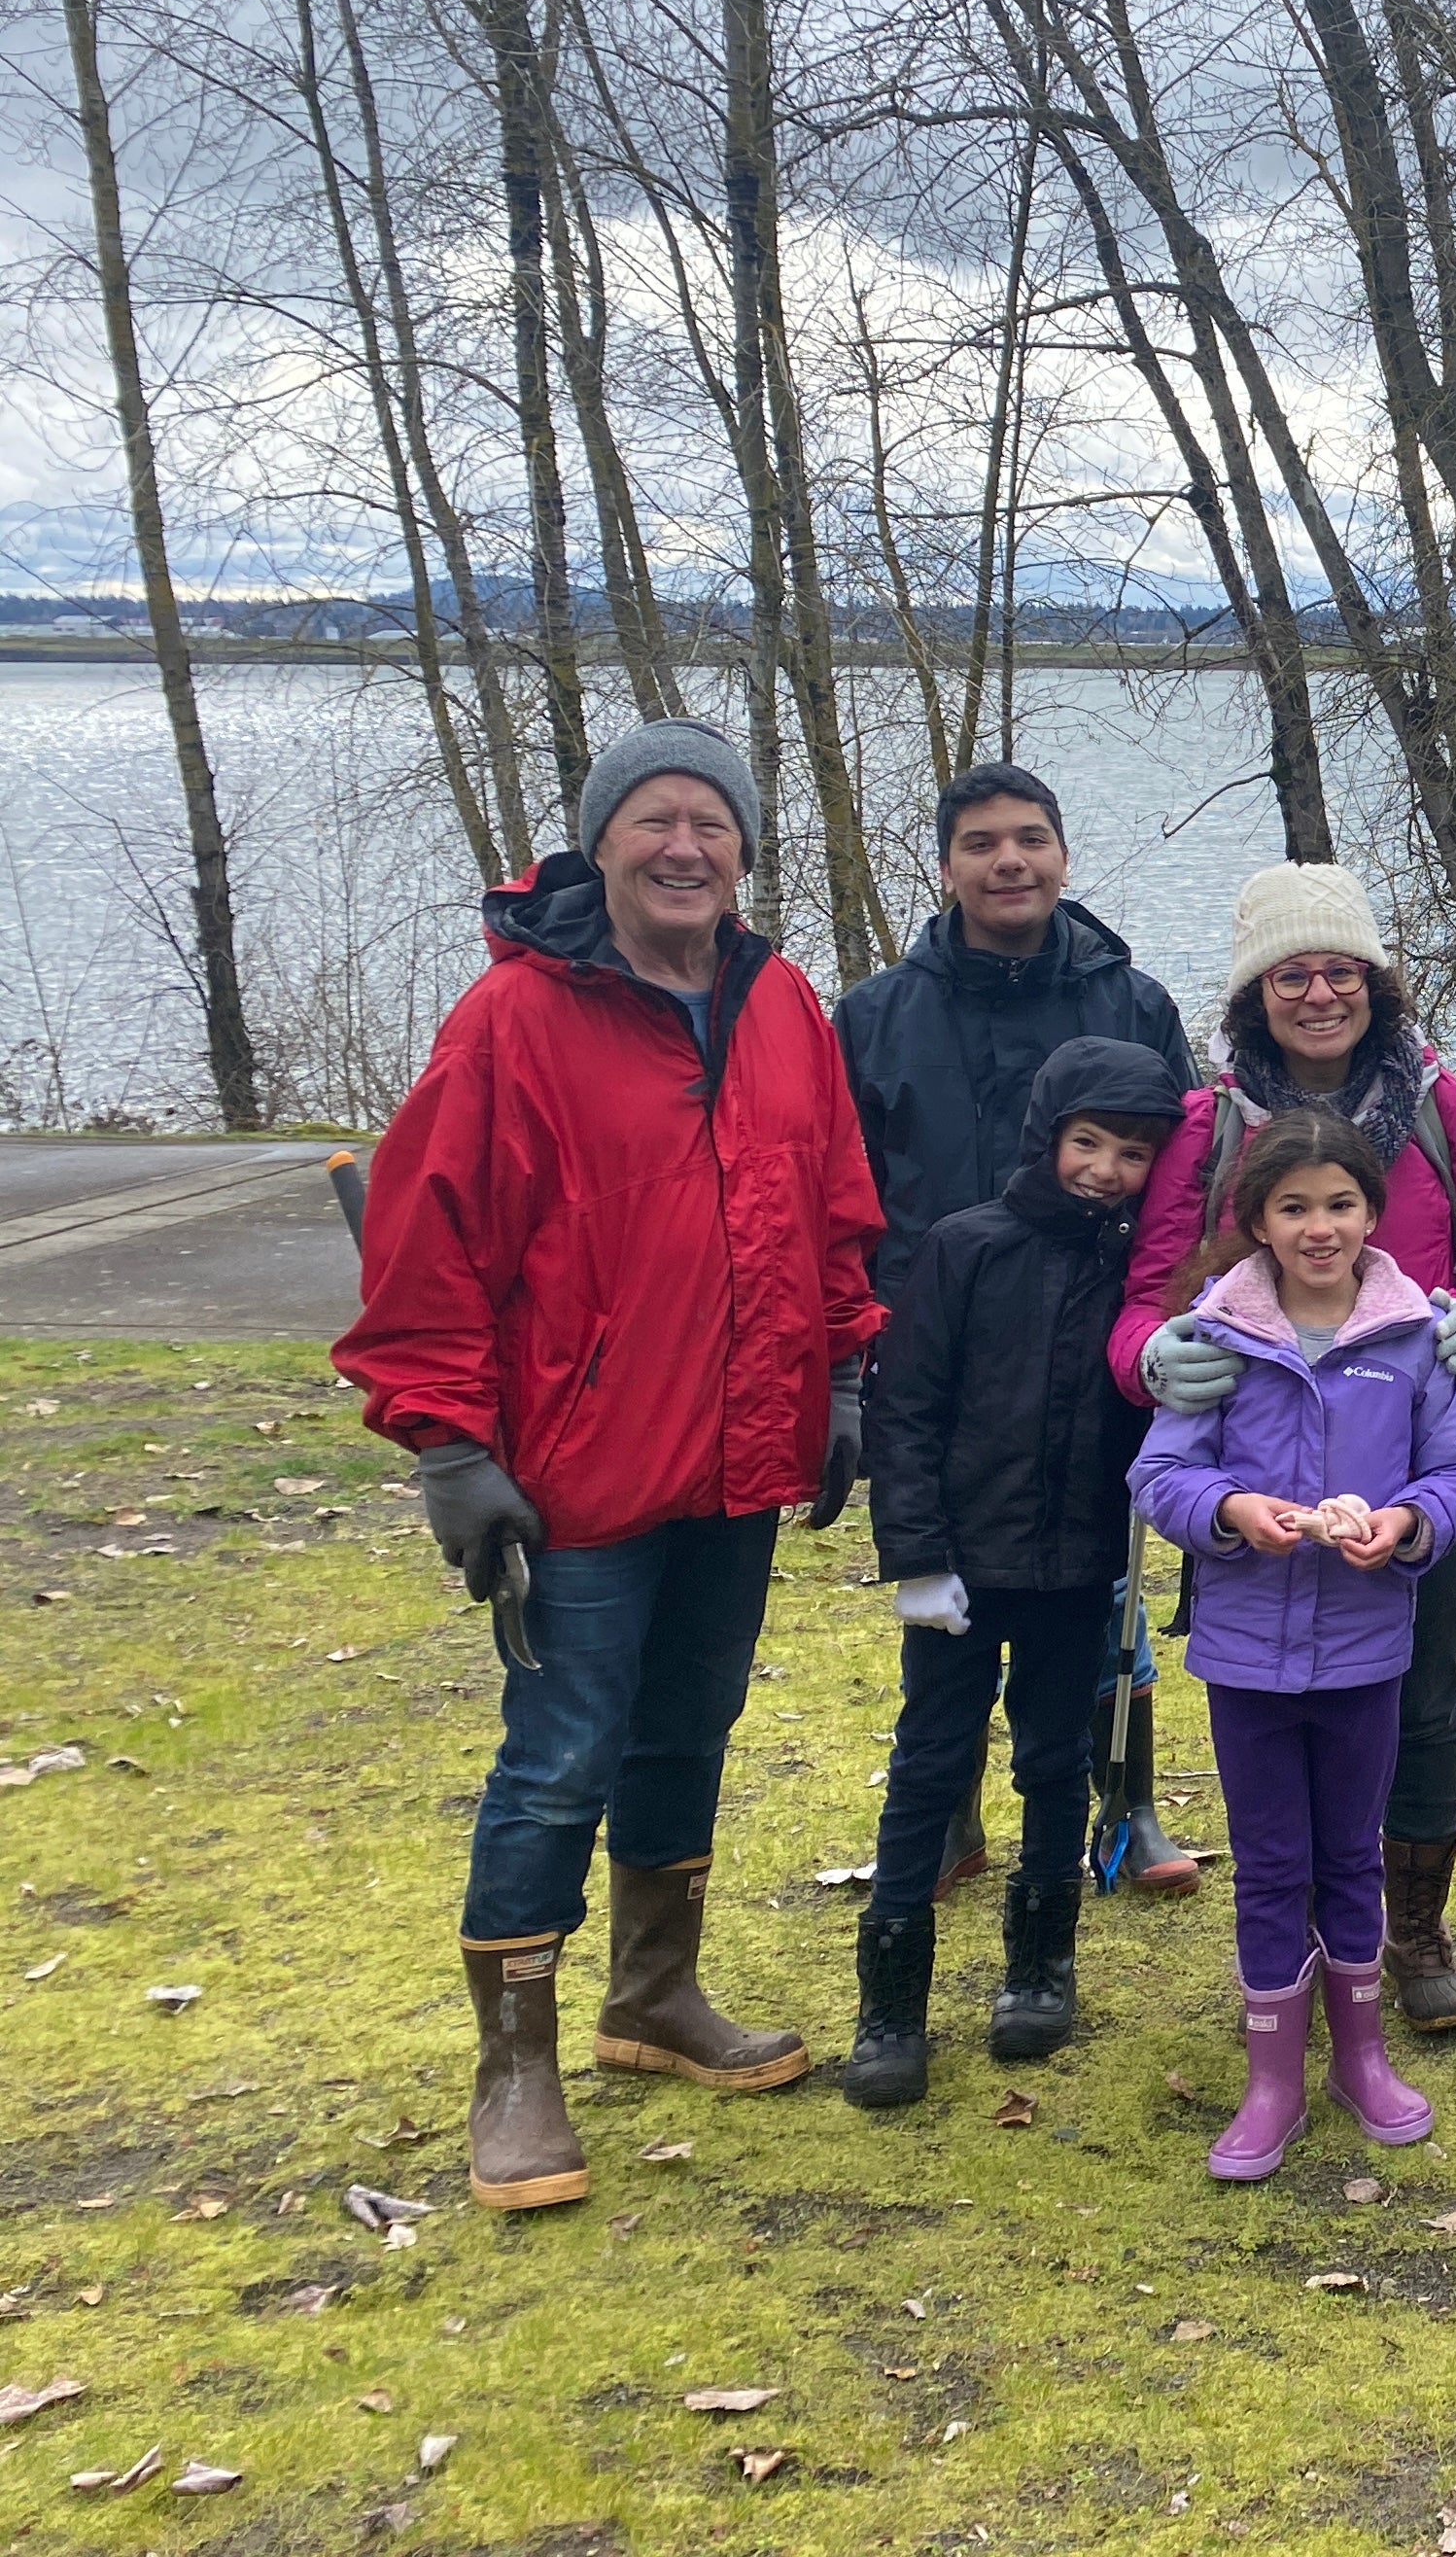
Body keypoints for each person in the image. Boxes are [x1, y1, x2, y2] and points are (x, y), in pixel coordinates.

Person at [337, 718, 884, 2211]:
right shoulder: (513, 1020)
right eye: (654, 820)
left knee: (685, 1729)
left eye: (712, 822)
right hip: (575, 1473)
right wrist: (449, 1444)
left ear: (745, 852)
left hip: (736, 1460)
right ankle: (512, 2070)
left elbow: (834, 1207)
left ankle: (654, 1998)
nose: (684, 847)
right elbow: (426, 1243)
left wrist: (840, 1379)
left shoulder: (784, 1011)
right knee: (558, 1755)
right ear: (599, 845)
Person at [1117, 863, 1456, 2024]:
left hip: (1413, 1462)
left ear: (1375, 983)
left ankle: (1408, 1924)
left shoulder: (1443, 1108)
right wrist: (1151, 1362)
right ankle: (1293, 1935)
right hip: (1263, 1482)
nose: (1318, 992)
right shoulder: (1208, 1128)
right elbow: (1148, 1297)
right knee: (1270, 1701)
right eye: (1291, 973)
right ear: (1257, 994)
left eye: (1340, 969)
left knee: (1424, 1690)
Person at [835, 760, 1196, 1904]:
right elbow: (839, 1190)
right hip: (937, 1345)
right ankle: (944, 1814)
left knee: (1100, 1586)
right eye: (983, 843)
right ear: (946, 867)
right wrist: (854, 1361)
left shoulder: (1128, 1002)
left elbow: (1181, 1185)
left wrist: (1167, 1320)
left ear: (1061, 857)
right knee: (944, 1594)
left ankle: (1123, 1801)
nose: (1010, 862)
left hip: (1096, 1350)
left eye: (1030, 839)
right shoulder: (879, 1015)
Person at [1130, 1110, 1456, 2177]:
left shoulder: (1417, 1338)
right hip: (1245, 1653)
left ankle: (1363, 2058)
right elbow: (1160, 1476)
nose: (1319, 1227)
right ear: (1256, 1222)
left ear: (1373, 1214)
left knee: (1350, 1854)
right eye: (1293, 1208)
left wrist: (1409, 1524)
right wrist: (1234, 1508)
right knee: (1268, 1864)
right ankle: (1273, 2078)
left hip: (1366, 1650)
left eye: (1340, 1204)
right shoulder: (1217, 1338)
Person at [844, 1038, 1185, 2108]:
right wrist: (914, 1559)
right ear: (1047, 1139)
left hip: (1076, 1563)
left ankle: (1040, 1965)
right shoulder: (964, 1246)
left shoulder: (1139, 1270)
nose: (1106, 1170)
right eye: (1088, 1144)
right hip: (959, 1564)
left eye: (1133, 1153)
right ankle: (890, 2000)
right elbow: (905, 1411)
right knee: (931, 1763)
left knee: (1052, 1760)